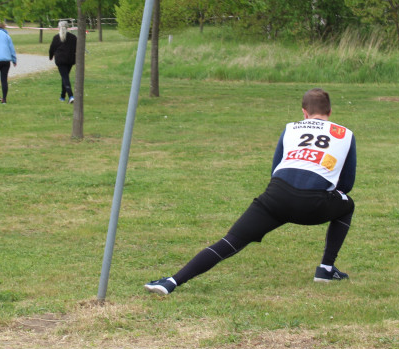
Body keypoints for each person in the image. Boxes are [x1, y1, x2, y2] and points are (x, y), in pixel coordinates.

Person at [144, 88, 357, 296]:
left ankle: (171, 282)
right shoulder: (345, 135)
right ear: (330, 112)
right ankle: (326, 269)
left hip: (275, 197)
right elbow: (346, 183)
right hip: (314, 204)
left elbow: (275, 170)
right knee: (348, 205)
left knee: (230, 242)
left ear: (303, 112)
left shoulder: (291, 128)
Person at [48, 20, 77, 103]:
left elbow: (52, 49)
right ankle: (62, 96)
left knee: (65, 77)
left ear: (58, 27)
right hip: (70, 60)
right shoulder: (73, 37)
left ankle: (71, 96)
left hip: (60, 60)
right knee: (65, 77)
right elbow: (76, 48)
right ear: (68, 27)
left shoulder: (56, 38)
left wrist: (50, 57)